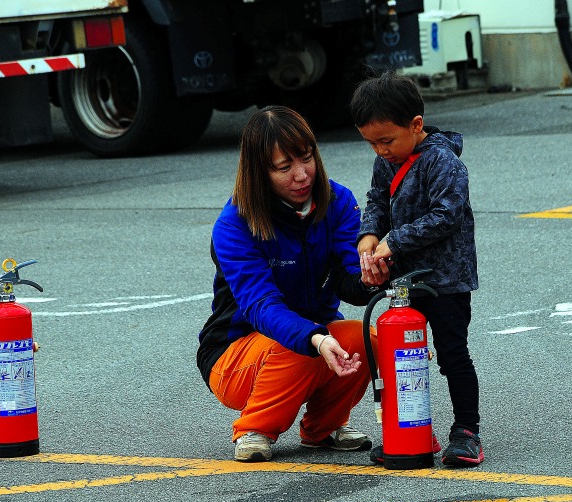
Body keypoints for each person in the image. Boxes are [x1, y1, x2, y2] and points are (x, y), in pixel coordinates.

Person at [196, 105, 389, 463]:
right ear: (259, 172)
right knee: (299, 342)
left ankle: (324, 427)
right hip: (234, 352)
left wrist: (372, 275)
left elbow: (348, 280)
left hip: (312, 337)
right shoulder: (234, 224)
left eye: (307, 158)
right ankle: (254, 428)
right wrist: (316, 338)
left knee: (368, 339)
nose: (302, 175)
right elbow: (261, 306)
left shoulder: (338, 201)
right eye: (284, 167)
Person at [350, 71, 483, 467]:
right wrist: (368, 236)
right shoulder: (386, 161)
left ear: (416, 124)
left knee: (452, 354)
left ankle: (467, 431)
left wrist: (395, 241)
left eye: (386, 140)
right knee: (401, 356)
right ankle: (410, 429)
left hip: (445, 280)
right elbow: (377, 200)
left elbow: (446, 215)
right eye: (371, 143)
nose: (380, 150)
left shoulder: (443, 162)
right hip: (404, 282)